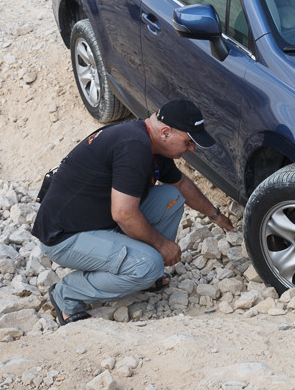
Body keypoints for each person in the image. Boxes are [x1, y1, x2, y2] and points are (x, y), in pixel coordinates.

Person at [32, 100, 236, 326]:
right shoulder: (133, 146)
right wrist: (162, 245)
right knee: (147, 265)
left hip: (98, 222)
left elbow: (181, 186)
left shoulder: (150, 141)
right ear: (166, 132)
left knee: (171, 198)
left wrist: (215, 215)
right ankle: (66, 295)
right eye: (188, 142)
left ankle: (143, 277)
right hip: (65, 237)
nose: (191, 149)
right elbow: (124, 214)